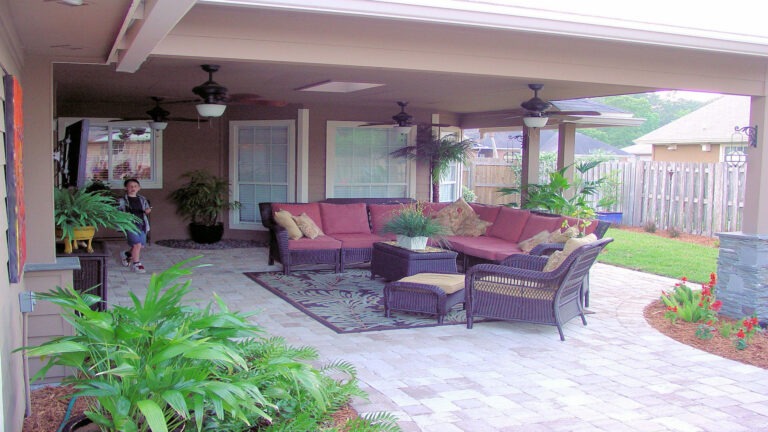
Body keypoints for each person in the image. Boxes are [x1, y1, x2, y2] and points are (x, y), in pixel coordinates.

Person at [117, 178, 151, 273]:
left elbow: (147, 209)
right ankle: (137, 264)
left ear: (139, 188)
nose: (133, 188)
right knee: (137, 244)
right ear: (126, 188)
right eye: (131, 186)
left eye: (135, 186)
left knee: (140, 246)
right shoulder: (121, 200)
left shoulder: (142, 199)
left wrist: (148, 211)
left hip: (142, 224)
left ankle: (127, 254)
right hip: (130, 225)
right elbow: (117, 212)